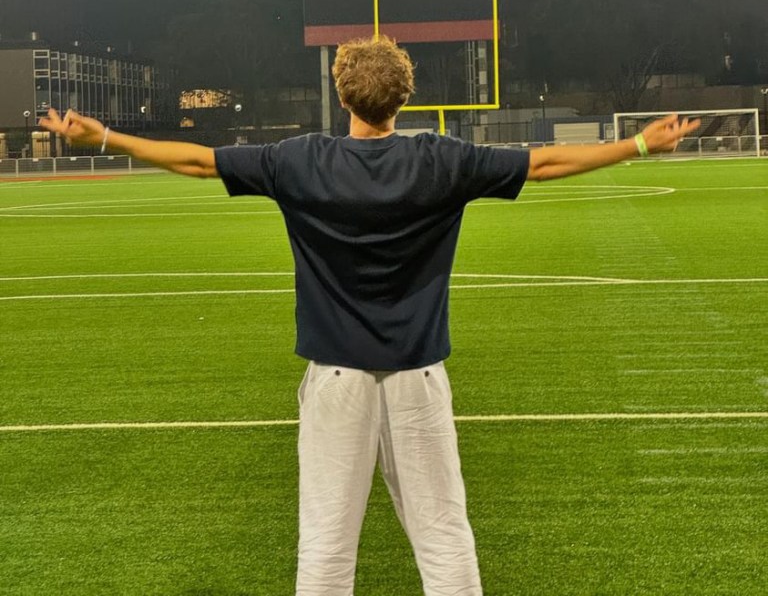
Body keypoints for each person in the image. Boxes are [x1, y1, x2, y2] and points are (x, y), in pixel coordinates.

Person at [39, 36, 699, 596]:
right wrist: (638, 145)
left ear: (342, 93)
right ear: (404, 97)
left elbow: (195, 159)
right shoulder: (442, 160)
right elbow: (549, 162)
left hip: (335, 383)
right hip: (418, 378)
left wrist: (104, 136)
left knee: (326, 550)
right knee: (445, 541)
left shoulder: (301, 160)